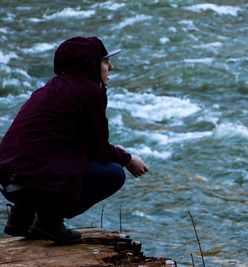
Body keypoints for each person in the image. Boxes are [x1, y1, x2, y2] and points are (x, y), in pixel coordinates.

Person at [0, 36, 149, 244]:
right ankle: (49, 222)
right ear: (89, 63)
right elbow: (99, 151)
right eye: (105, 61)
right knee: (114, 173)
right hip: (29, 181)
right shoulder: (88, 92)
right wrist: (127, 158)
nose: (111, 67)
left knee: (67, 159)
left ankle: (21, 216)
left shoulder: (53, 88)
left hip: (9, 180)